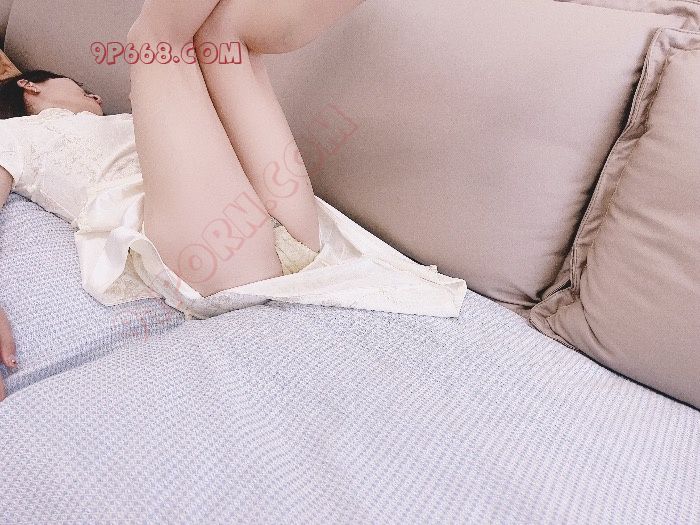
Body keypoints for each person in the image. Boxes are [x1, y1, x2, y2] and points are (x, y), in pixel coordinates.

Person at [0, 0, 469, 401]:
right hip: (217, 249)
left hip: (289, 231)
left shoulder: (129, 122)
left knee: (222, 36)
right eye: (79, 87)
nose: (95, 93)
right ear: (29, 84)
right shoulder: (16, 134)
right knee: (151, 42)